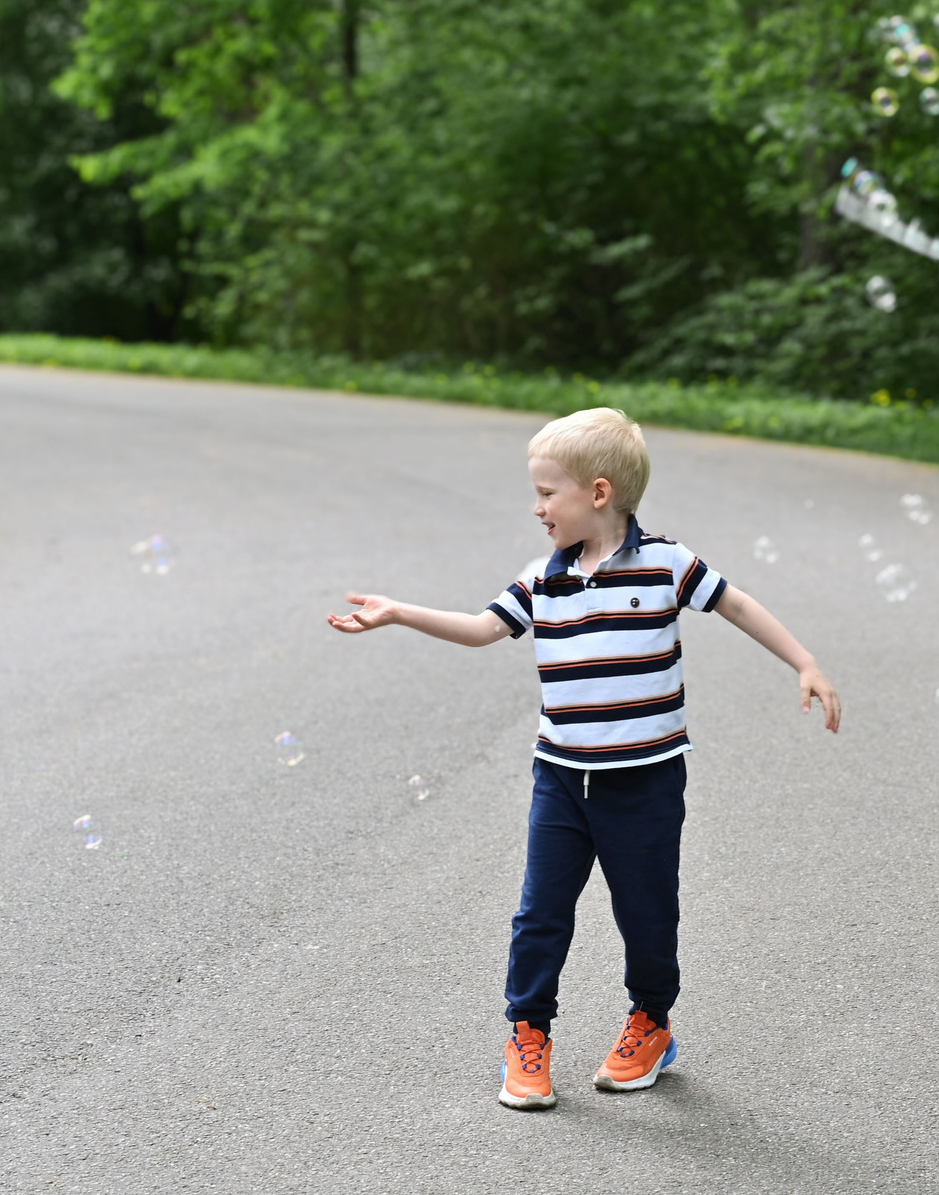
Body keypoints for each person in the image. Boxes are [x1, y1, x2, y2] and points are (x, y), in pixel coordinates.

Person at [327, 407, 843, 1113]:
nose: (537, 507)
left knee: (648, 913)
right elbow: (482, 629)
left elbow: (738, 605)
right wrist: (399, 612)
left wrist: (805, 662)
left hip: (648, 781)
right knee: (540, 912)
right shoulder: (543, 579)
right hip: (561, 780)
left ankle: (651, 1023)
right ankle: (528, 1033)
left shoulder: (667, 564)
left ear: (598, 493)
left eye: (548, 492)